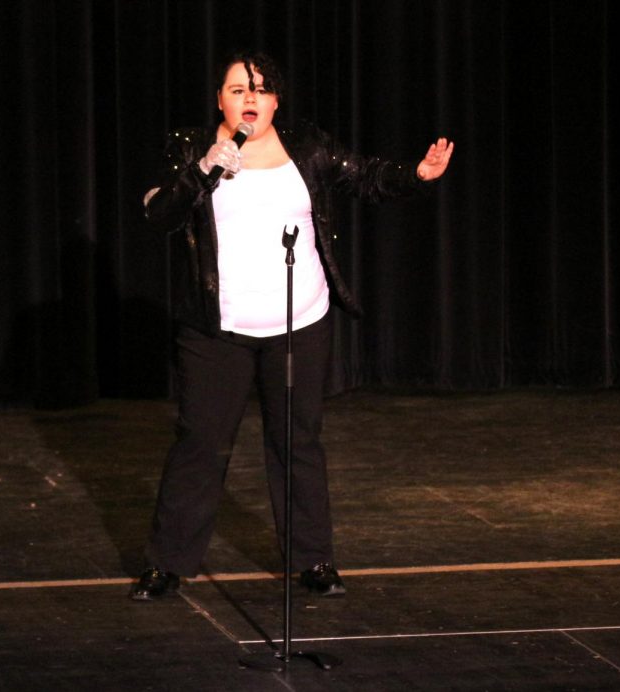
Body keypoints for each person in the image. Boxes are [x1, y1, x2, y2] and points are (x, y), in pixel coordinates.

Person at [132, 51, 453, 600]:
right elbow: (159, 214)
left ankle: (313, 560)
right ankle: (168, 564)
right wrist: (204, 170)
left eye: (260, 89)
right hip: (217, 331)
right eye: (237, 90)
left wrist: (416, 176)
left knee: (297, 442)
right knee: (200, 444)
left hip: (300, 322)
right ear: (221, 101)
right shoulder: (192, 149)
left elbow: (367, 177)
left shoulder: (307, 146)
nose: (249, 99)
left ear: (276, 100)